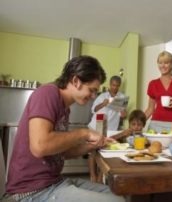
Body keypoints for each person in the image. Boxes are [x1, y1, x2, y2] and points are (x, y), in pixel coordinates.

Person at [2, 56, 124, 202]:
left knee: (116, 194)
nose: (92, 96)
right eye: (91, 90)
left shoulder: (64, 108)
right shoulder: (47, 93)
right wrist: (83, 133)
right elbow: (40, 146)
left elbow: (61, 152)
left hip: (55, 182)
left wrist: (92, 146)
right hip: (32, 191)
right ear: (75, 81)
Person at [88, 109, 147, 183]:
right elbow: (109, 140)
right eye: (133, 124)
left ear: (143, 125)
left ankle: (100, 179)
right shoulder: (125, 133)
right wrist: (122, 134)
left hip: (132, 161)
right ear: (129, 124)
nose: (136, 127)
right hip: (119, 159)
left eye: (139, 125)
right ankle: (95, 177)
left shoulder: (144, 137)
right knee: (99, 155)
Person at [144, 51, 172, 132]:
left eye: (166, 63)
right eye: (160, 63)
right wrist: (139, 121)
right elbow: (150, 109)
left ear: (171, 64)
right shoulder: (153, 84)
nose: (163, 66)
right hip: (156, 124)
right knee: (154, 145)